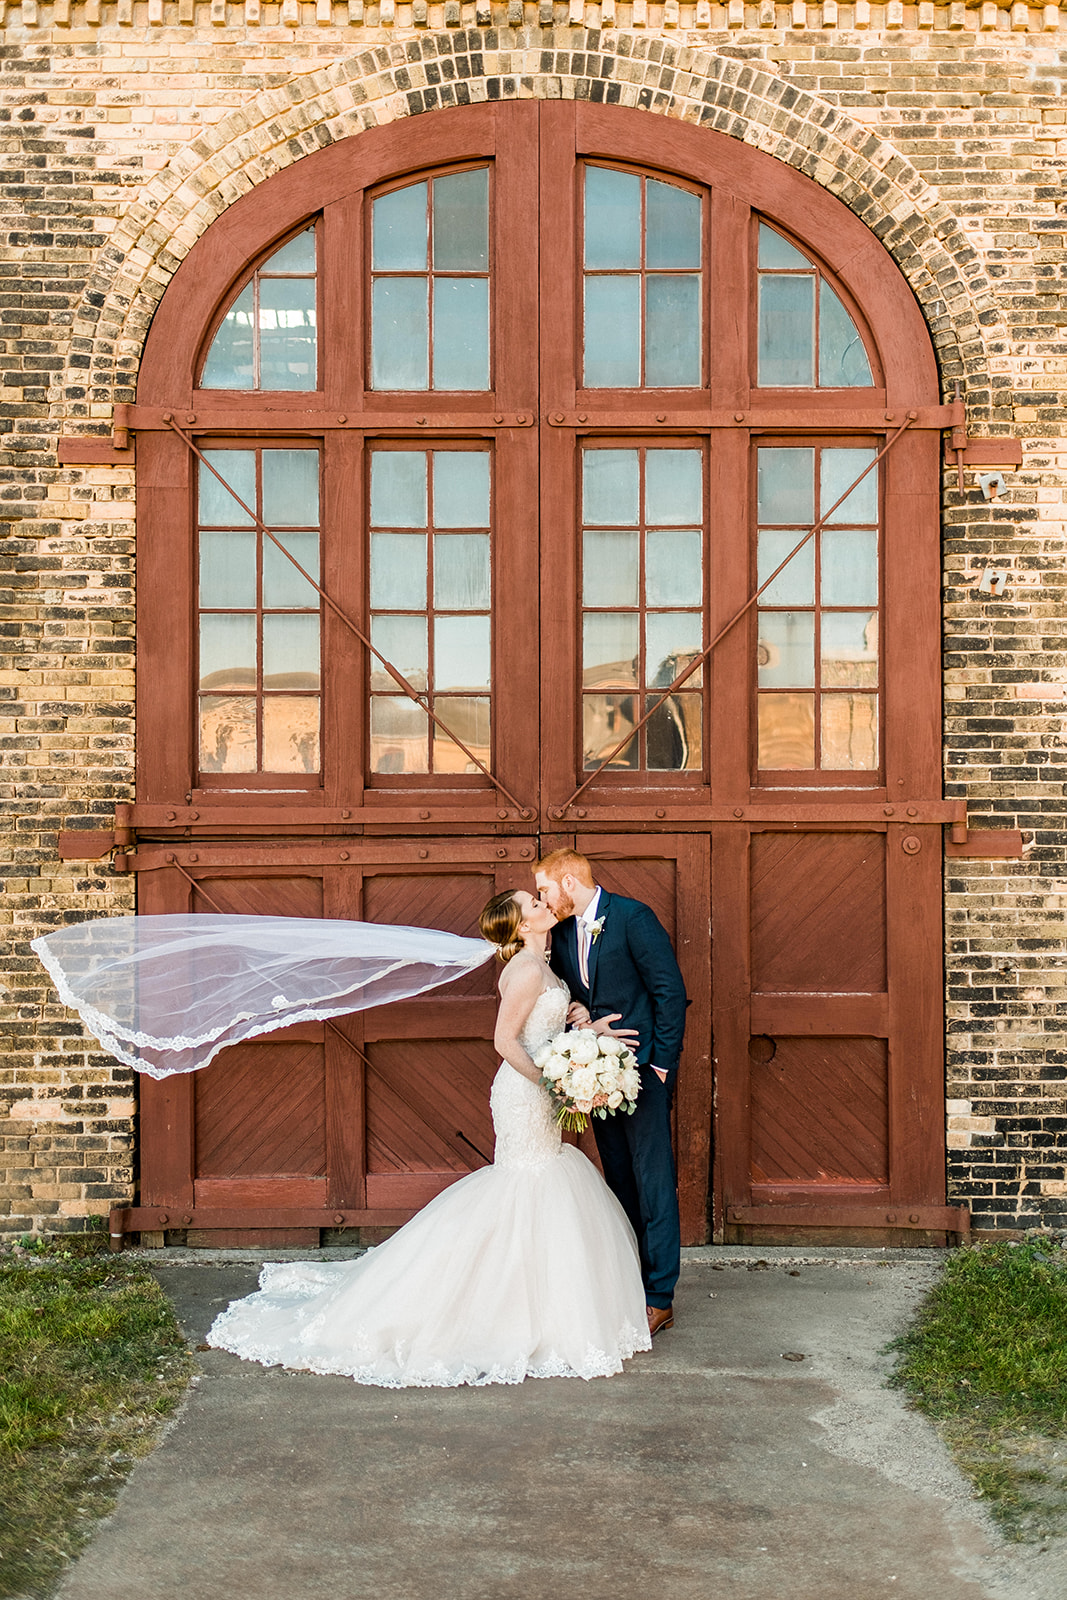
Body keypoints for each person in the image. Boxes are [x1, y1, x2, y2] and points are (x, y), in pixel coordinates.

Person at [206, 888, 651, 1386]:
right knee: (525, 1183)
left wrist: (579, 1027)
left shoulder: (543, 965)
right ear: (522, 926)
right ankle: (496, 1310)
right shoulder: (526, 970)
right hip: (524, 1094)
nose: (545, 904)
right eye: (534, 904)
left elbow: (537, 1031)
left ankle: (533, 1303)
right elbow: (505, 1041)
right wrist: (555, 1081)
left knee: (541, 1184)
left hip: (541, 1091)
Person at [534, 849, 688, 1338]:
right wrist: (579, 1011)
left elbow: (669, 992)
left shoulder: (632, 918)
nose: (542, 898)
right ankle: (628, 1280)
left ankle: (659, 1296)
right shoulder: (558, 933)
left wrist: (660, 1066)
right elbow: (569, 991)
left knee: (653, 1179)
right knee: (619, 1178)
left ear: (568, 882)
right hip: (595, 1078)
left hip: (642, 1074)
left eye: (544, 889)